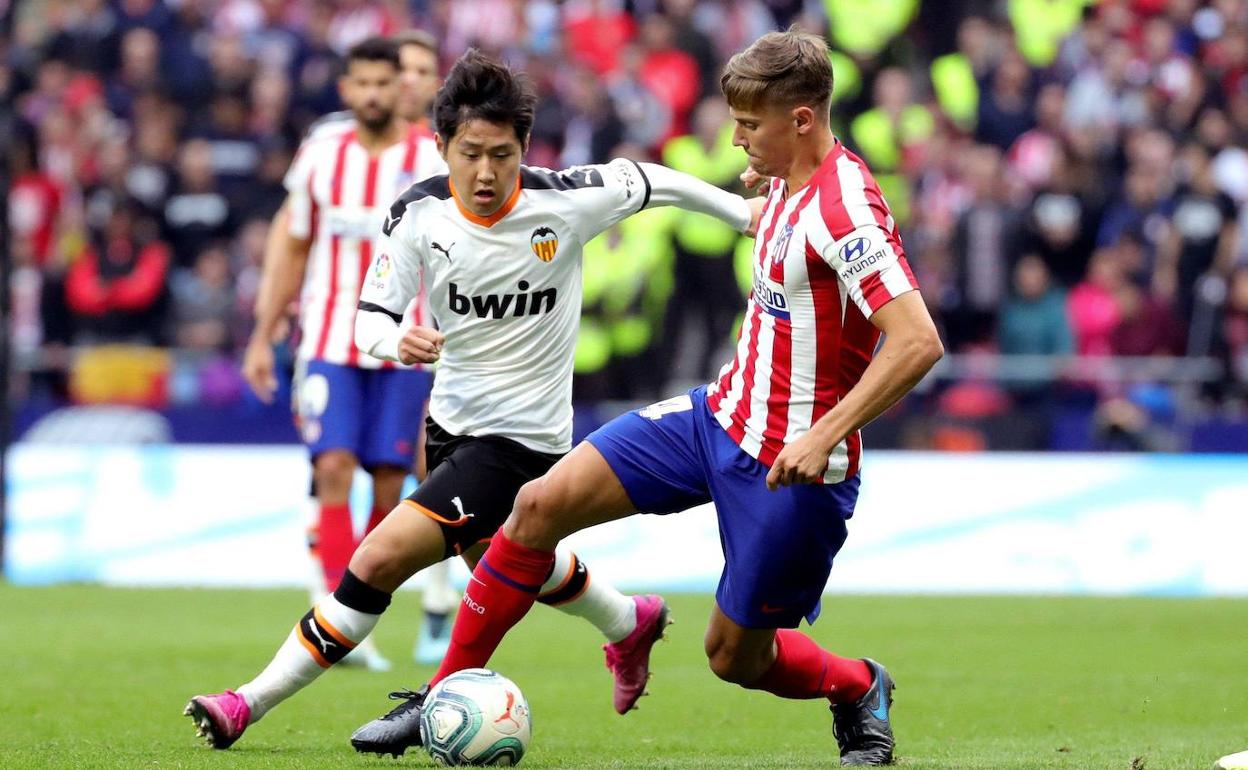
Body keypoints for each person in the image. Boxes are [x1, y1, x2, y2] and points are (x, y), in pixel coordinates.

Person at [357, 30, 944, 767]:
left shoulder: (844, 209)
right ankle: (436, 699)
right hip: (716, 418)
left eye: (750, 125)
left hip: (790, 465)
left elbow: (918, 341)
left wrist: (823, 434)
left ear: (801, 119)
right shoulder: (786, 181)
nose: (735, 141)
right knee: (535, 508)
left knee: (734, 657)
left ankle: (859, 687)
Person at [185, 48, 761, 753]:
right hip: (451, 425)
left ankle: (245, 703)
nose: (485, 173)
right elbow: (370, 311)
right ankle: (629, 620)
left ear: (524, 147)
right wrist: (391, 340)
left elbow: (652, 180)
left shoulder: (566, 200)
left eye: (501, 154)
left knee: (377, 560)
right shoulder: (419, 214)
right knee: (505, 558)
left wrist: (741, 214)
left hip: (524, 443)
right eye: (469, 154)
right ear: (440, 146)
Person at [239, 31, 456, 668]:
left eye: (384, 83)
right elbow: (294, 243)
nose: (374, 94)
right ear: (345, 89)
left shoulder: (429, 159)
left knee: (391, 479)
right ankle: (333, 609)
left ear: (402, 89)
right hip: (330, 337)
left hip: (402, 343)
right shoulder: (320, 152)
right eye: (362, 83)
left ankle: (357, 612)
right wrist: (263, 329)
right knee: (331, 466)